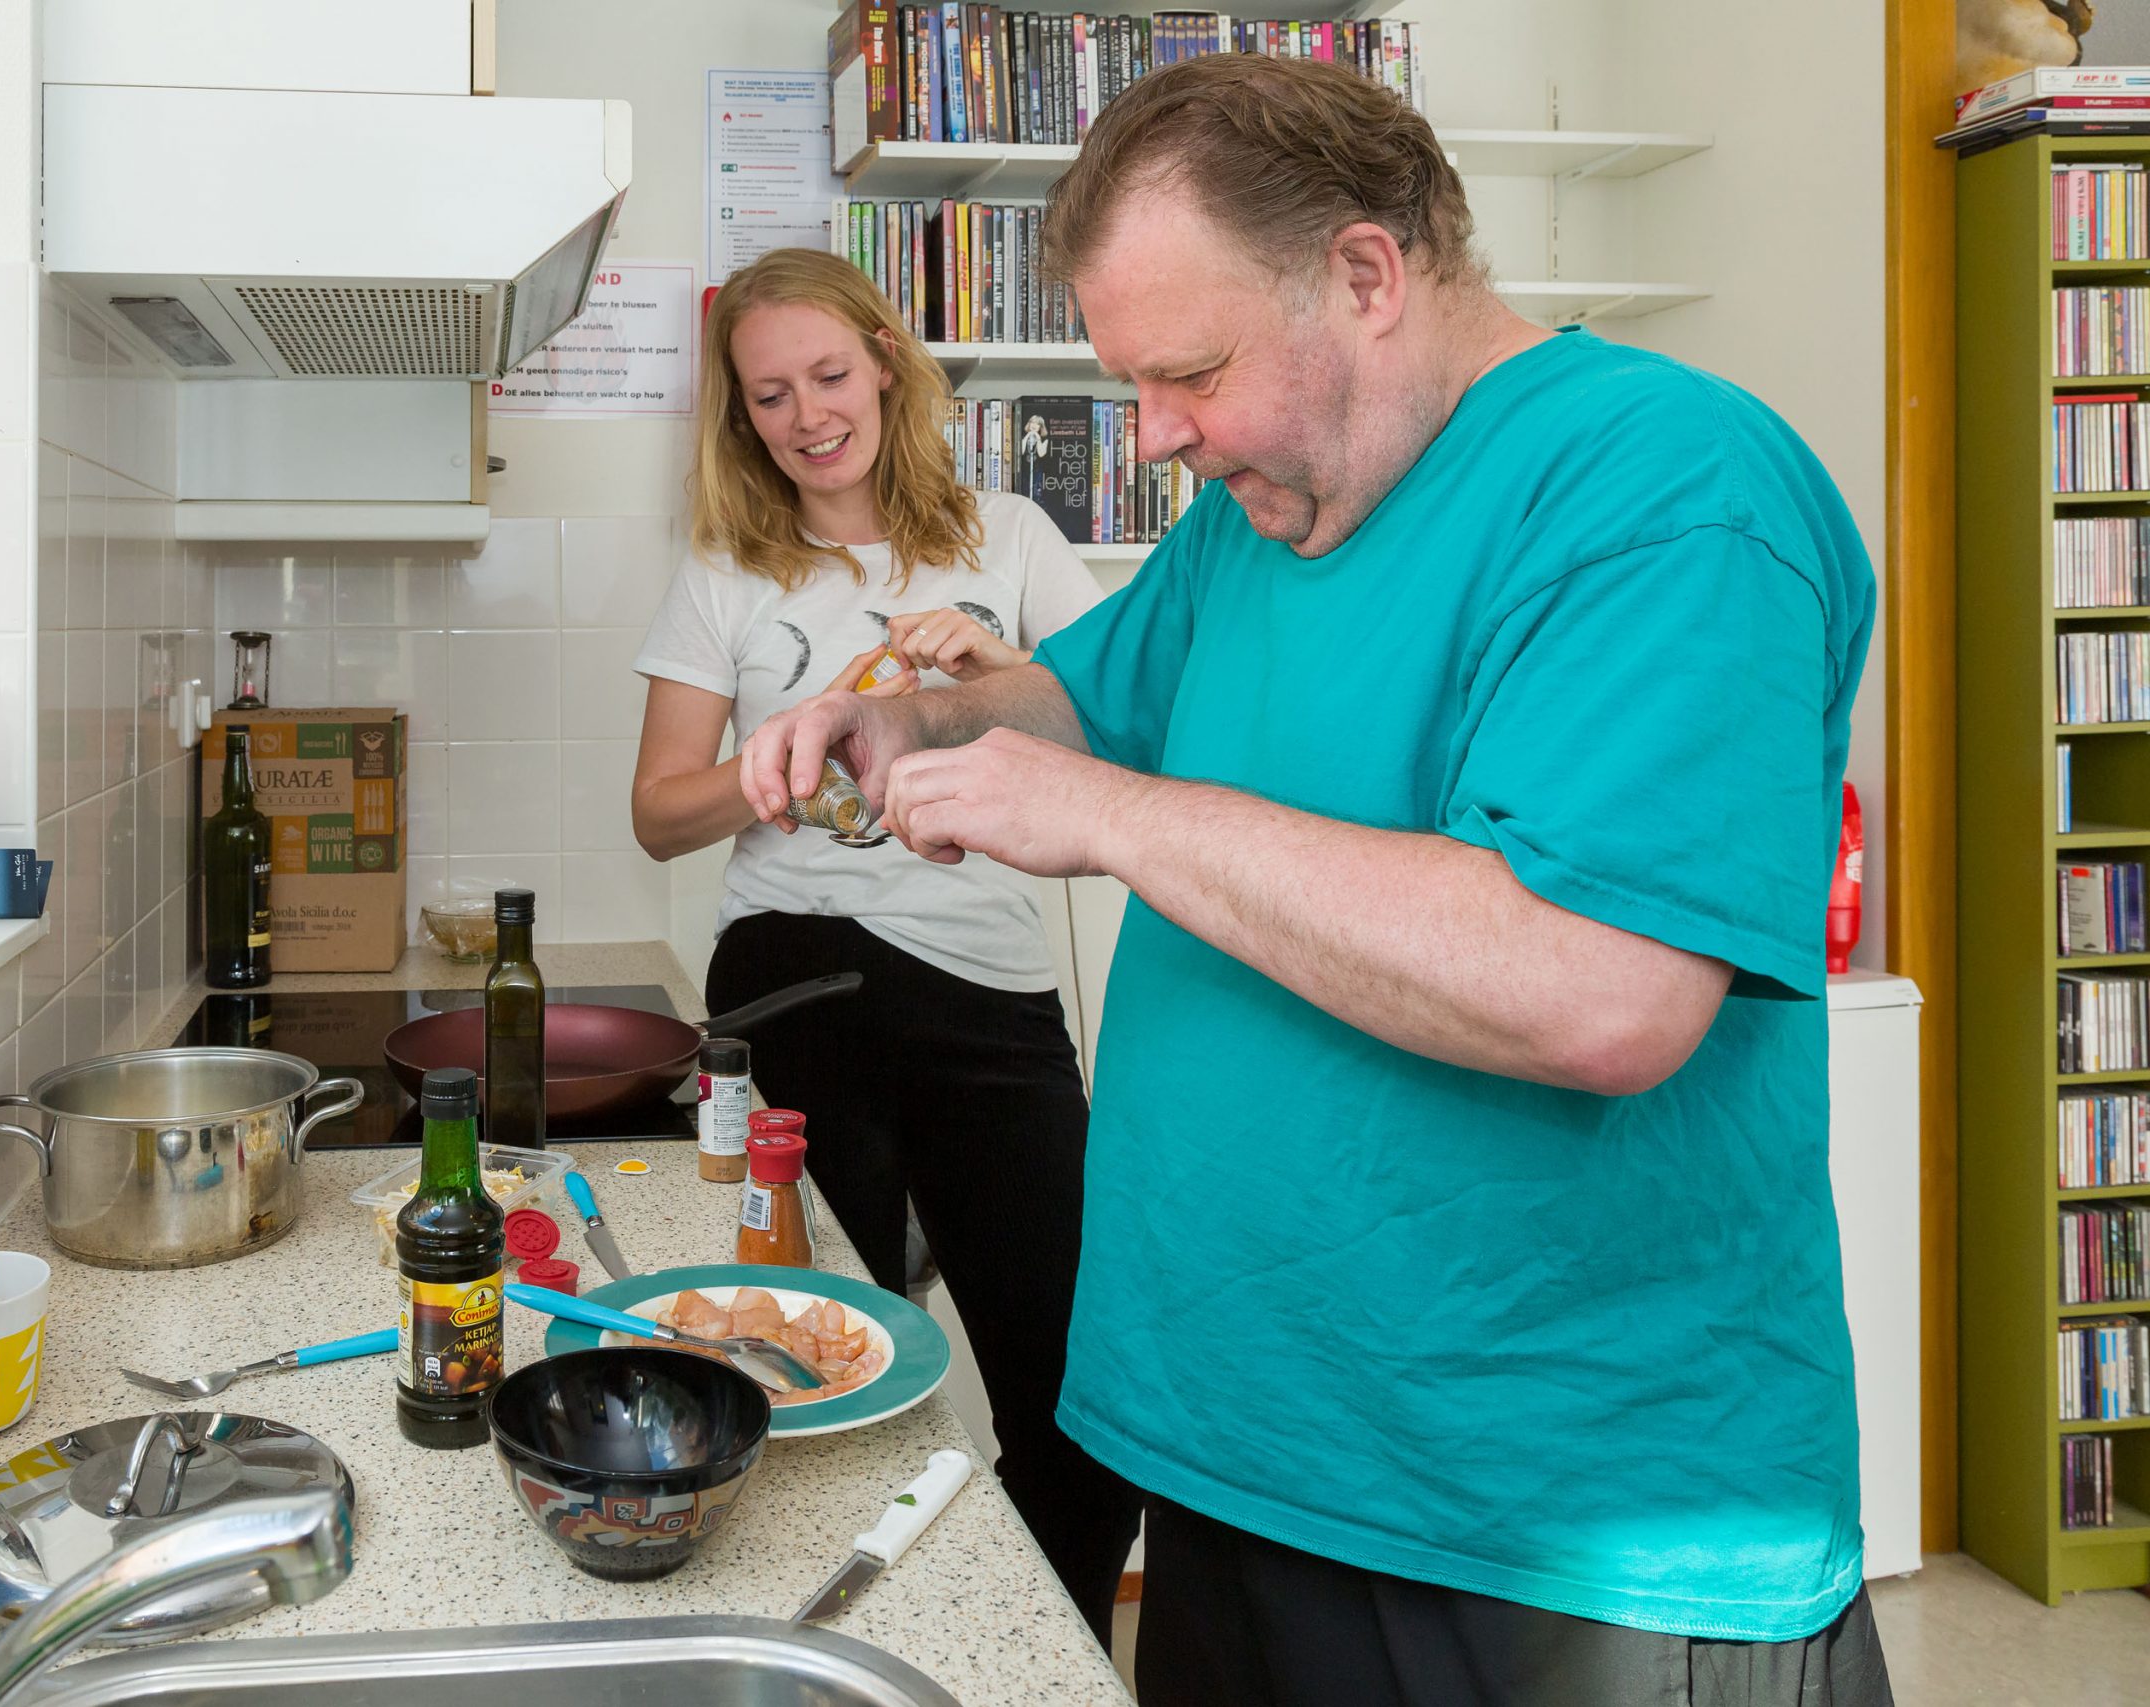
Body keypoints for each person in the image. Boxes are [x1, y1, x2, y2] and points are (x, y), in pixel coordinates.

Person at [741, 55, 1894, 1707]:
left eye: (1191, 371)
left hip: (1552, 1534)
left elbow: (1602, 987)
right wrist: (904, 716)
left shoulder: (1667, 489)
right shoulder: (1259, 512)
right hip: (1244, 1461)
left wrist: (1117, 820)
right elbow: (1079, 695)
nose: (1158, 438)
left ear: (1366, 273)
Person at [628, 245, 1141, 1645]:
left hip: (993, 995)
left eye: (829, 376)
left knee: (1081, 1397)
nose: (806, 415)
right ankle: (833, 1654)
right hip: (797, 984)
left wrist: (984, 679)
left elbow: (1122, 729)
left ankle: (1045, 1661)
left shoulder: (1012, 538)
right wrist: (791, 753)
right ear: (745, 418)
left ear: (888, 362)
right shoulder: (729, 570)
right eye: (770, 395)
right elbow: (657, 813)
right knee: (808, 1371)